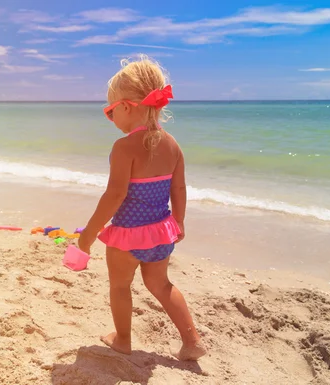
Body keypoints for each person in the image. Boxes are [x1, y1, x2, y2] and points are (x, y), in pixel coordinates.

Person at [78, 56, 206, 361]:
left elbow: (115, 195)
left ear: (126, 107)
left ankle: (123, 340)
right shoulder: (173, 144)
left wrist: (88, 236)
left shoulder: (123, 148)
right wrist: (180, 221)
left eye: (110, 112)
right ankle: (192, 341)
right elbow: (179, 188)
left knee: (120, 286)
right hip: (161, 231)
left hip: (128, 235)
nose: (110, 120)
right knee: (161, 284)